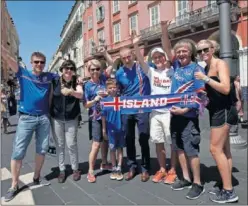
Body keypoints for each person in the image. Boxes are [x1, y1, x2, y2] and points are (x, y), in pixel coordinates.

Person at [161, 21, 205, 199]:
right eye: (178, 52)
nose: (180, 54)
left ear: (191, 53)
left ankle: (197, 183)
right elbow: (167, 48)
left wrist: (185, 110)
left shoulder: (197, 69)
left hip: (188, 116)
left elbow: (201, 96)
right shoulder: (177, 67)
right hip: (175, 115)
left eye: (184, 51)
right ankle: (185, 178)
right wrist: (164, 30)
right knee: (178, 147)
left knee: (191, 149)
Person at [4, 52, 54, 202]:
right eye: (36, 62)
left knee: (42, 149)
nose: (39, 64)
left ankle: (37, 177)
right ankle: (14, 185)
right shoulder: (23, 73)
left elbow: (66, 76)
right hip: (26, 118)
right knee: (18, 151)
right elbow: (8, 58)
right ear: (31, 63)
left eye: (42, 62)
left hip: (44, 118)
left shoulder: (49, 76)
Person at [131, 30, 177, 184]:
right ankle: (162, 168)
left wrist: (164, 30)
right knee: (158, 142)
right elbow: (140, 59)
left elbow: (169, 48)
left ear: (165, 57)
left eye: (160, 56)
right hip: (155, 112)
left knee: (172, 142)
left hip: (170, 112)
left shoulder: (172, 71)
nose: (158, 59)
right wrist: (135, 44)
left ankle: (173, 169)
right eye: (155, 57)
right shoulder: (151, 72)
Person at [195, 39, 239, 203]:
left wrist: (206, 79)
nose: (202, 53)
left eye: (205, 49)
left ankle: (229, 191)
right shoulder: (206, 68)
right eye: (199, 51)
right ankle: (225, 182)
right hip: (216, 110)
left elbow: (226, 88)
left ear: (213, 49)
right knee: (225, 150)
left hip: (224, 111)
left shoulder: (220, 63)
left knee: (214, 149)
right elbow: (214, 90)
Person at [116, 46, 151, 182]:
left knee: (143, 138)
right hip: (126, 110)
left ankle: (145, 168)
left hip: (143, 109)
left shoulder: (142, 67)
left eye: (128, 56)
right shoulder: (119, 72)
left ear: (133, 55)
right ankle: (132, 166)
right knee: (128, 138)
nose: (126, 59)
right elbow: (118, 89)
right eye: (123, 58)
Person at [50, 60, 83, 183]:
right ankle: (62, 169)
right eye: (65, 68)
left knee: (72, 145)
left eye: (70, 68)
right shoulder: (55, 81)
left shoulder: (77, 81)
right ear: (61, 69)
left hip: (71, 118)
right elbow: (50, 97)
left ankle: (75, 169)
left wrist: (71, 92)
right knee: (59, 145)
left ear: (73, 70)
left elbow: (80, 94)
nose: (68, 70)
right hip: (56, 118)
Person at [84, 57, 113, 183]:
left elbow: (112, 63)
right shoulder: (87, 85)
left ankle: (105, 162)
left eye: (97, 69)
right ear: (89, 71)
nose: (95, 71)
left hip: (107, 115)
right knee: (96, 144)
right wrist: (95, 99)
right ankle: (90, 170)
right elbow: (85, 105)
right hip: (95, 116)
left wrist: (105, 53)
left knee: (105, 140)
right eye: (92, 69)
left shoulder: (104, 78)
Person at [102, 78, 125, 181]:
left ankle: (119, 167)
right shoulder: (105, 101)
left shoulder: (121, 99)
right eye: (110, 88)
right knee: (112, 149)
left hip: (120, 128)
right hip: (110, 129)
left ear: (117, 88)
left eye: (114, 87)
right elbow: (103, 116)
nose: (112, 89)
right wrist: (103, 129)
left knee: (120, 148)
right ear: (107, 89)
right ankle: (114, 167)